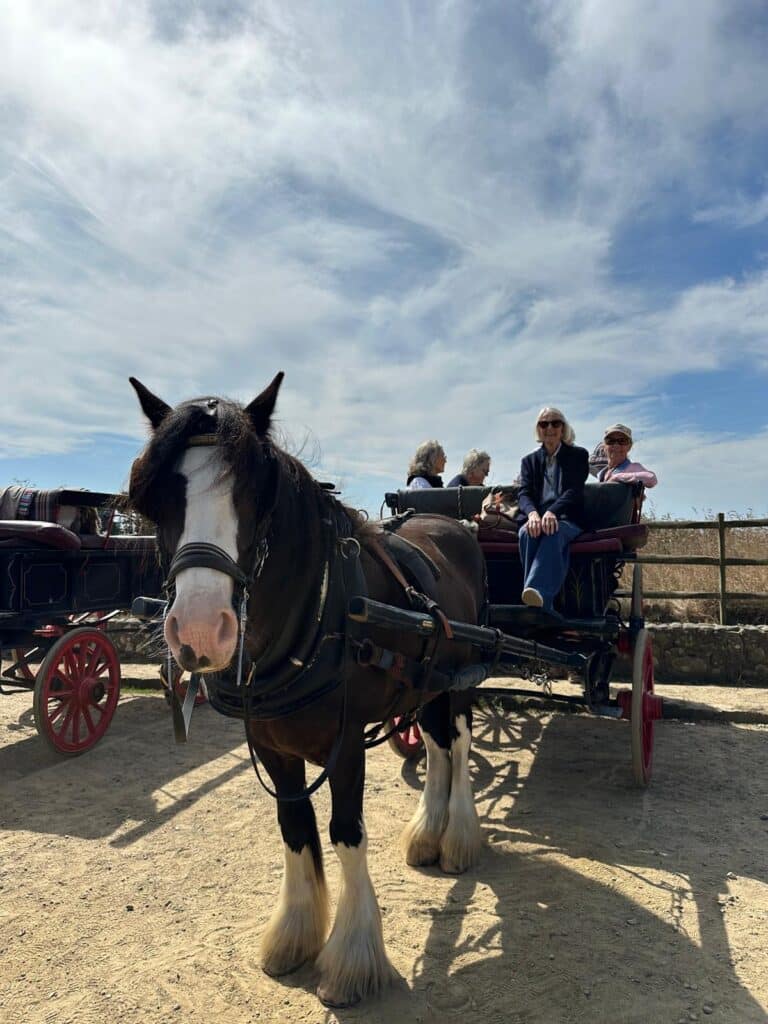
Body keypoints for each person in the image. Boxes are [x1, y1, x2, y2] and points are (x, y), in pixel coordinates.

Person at [516, 407, 589, 611]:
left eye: (555, 423)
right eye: (544, 424)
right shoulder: (529, 461)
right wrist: (532, 514)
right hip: (538, 516)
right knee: (526, 533)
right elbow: (524, 493)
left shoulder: (578, 455)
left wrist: (552, 512)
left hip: (567, 516)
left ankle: (540, 599)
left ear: (563, 428)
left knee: (553, 532)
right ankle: (533, 598)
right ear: (538, 430)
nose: (549, 428)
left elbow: (574, 490)